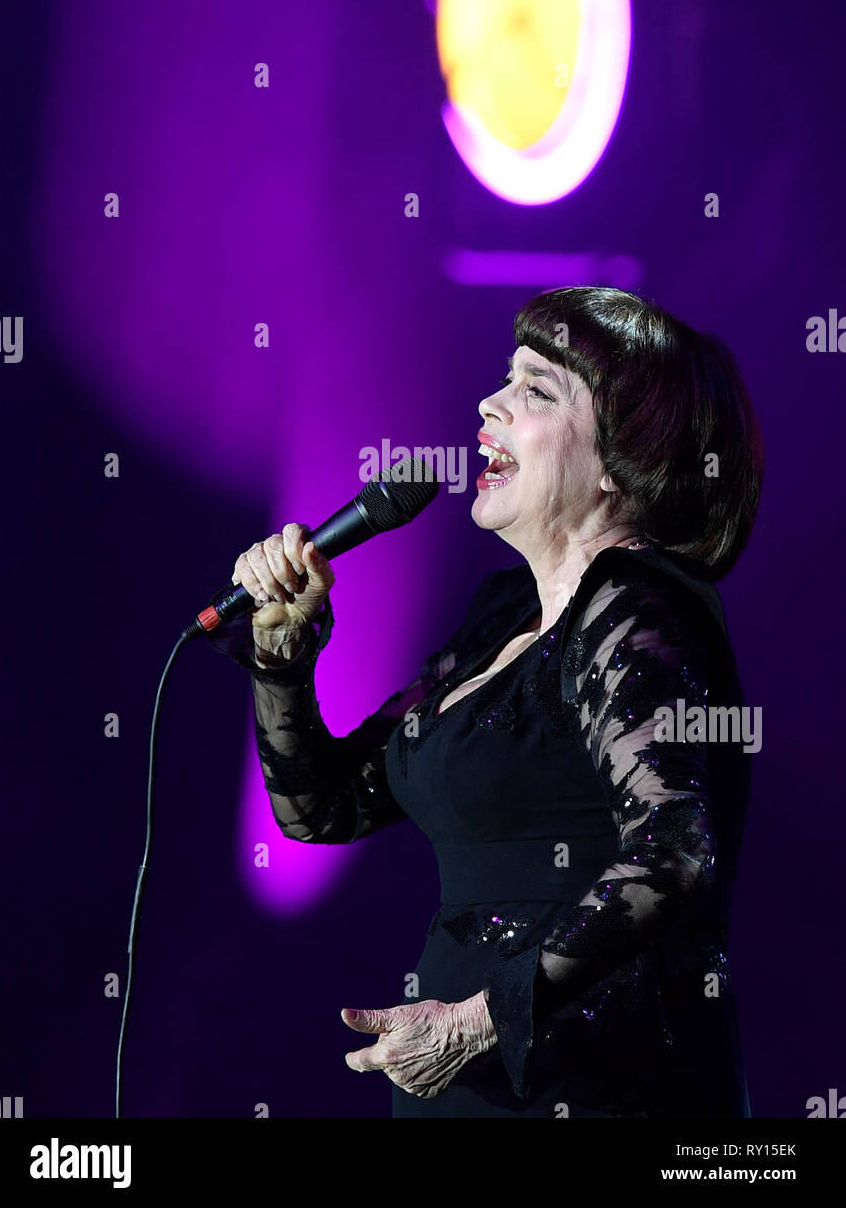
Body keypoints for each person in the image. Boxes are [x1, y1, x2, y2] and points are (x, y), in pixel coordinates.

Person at [210, 285, 764, 1118]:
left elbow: (673, 854)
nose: (489, 403)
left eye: (537, 391)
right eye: (507, 378)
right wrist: (282, 656)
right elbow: (320, 808)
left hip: (603, 1093)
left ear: (623, 461)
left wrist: (477, 1024)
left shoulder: (638, 609)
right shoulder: (502, 616)